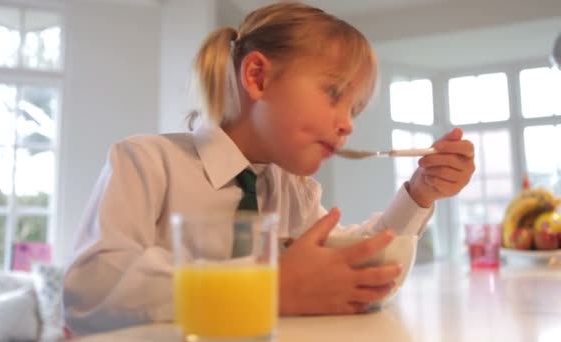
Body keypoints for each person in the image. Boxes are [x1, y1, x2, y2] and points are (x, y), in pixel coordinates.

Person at [63, 1, 475, 336]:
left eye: (355, 108)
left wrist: (420, 194)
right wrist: (268, 288)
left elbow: (352, 262)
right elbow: (91, 288)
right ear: (258, 77)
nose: (348, 123)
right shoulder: (145, 162)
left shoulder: (295, 190)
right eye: (334, 93)